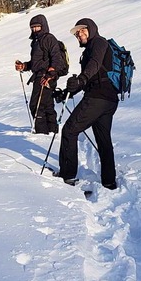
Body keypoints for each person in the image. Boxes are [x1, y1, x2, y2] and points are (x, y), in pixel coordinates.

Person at [55, 17, 118, 190]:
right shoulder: (90, 49)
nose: (79, 34)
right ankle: (109, 181)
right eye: (77, 33)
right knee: (103, 140)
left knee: (69, 130)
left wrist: (81, 79)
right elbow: (90, 77)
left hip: (98, 98)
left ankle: (67, 175)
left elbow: (95, 65)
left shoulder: (99, 42)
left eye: (83, 30)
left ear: (92, 29)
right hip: (108, 99)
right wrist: (67, 92)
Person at [14, 14, 67, 134]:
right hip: (41, 76)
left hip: (45, 77)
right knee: (47, 105)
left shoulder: (48, 38)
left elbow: (56, 58)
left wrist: (50, 74)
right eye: (32, 27)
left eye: (37, 27)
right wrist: (24, 66)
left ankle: (41, 133)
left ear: (43, 26)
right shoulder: (36, 42)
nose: (35, 29)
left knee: (36, 105)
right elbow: (37, 63)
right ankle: (52, 131)